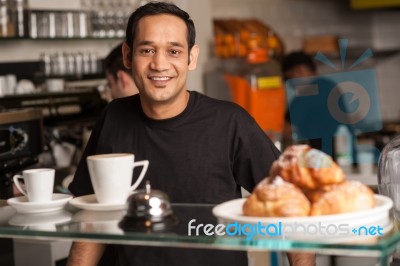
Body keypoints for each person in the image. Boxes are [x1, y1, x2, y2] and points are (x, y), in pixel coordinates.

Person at [67, 2, 313, 266]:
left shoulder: (230, 122)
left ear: (191, 58)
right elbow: (91, 219)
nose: (159, 64)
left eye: (174, 51)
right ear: (128, 55)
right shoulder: (113, 118)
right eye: (147, 50)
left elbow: (292, 207)